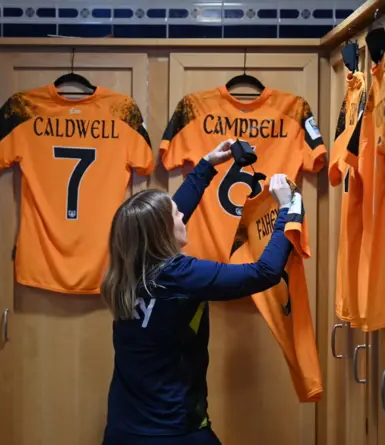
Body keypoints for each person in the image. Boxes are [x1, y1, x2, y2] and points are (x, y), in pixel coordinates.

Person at [100, 138, 296, 445]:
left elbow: (168, 214)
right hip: (175, 433)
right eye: (175, 216)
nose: (182, 215)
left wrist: (206, 166)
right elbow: (265, 273)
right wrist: (289, 210)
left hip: (123, 431)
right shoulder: (179, 276)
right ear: (163, 232)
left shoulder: (127, 272)